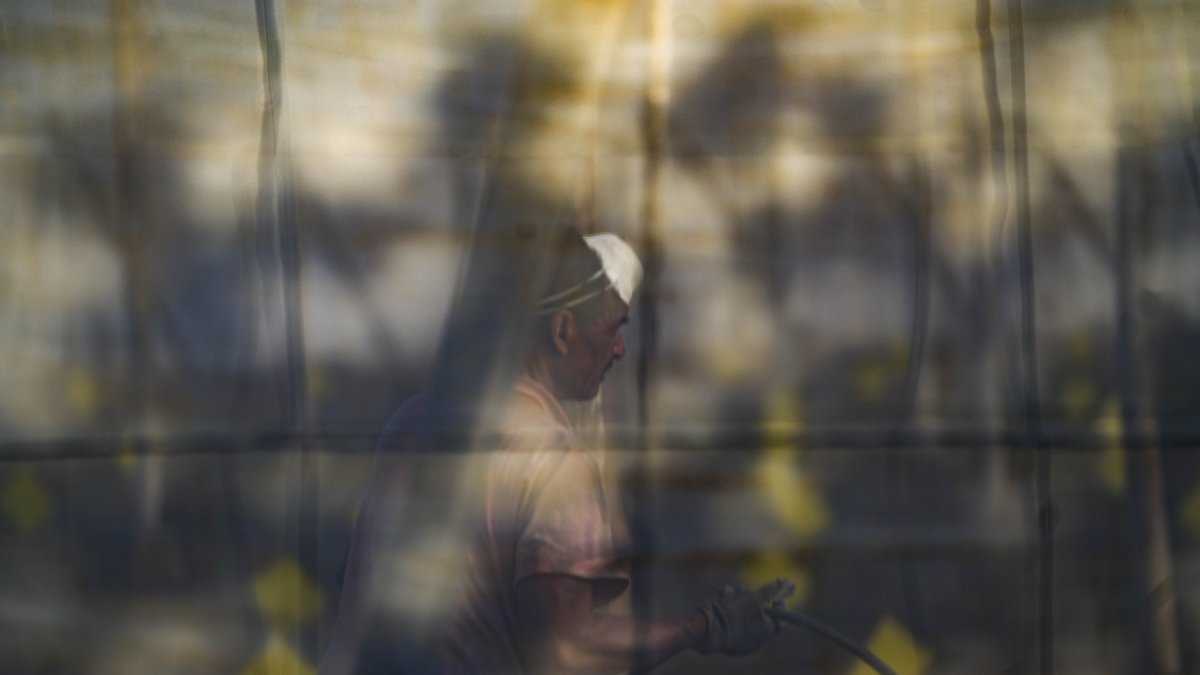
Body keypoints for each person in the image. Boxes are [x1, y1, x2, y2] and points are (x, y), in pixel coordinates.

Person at [324, 228, 793, 675]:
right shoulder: (555, 462)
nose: (619, 349)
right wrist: (707, 627)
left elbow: (355, 578)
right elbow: (566, 654)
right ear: (563, 331)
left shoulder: (410, 422)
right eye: (613, 328)